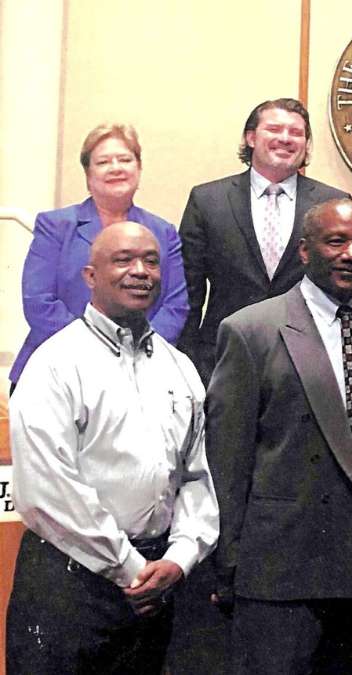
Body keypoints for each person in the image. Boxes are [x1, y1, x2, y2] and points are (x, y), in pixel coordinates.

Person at [6, 222, 218, 674]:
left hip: (157, 585)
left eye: (151, 261)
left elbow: (197, 476)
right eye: (123, 260)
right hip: (70, 585)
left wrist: (180, 558)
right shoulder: (55, 364)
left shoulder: (179, 368)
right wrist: (130, 568)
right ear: (90, 276)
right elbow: (48, 490)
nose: (140, 271)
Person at [205, 199, 352, 673]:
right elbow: (227, 461)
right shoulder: (251, 330)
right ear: (304, 250)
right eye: (336, 241)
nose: (351, 254)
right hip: (277, 574)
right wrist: (228, 565)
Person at [178, 97, 349, 384]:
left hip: (308, 361)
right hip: (222, 358)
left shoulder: (333, 203)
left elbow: (345, 291)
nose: (285, 138)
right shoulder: (208, 200)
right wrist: (185, 362)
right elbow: (188, 291)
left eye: (296, 133)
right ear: (251, 138)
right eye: (274, 129)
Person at [10, 123, 187, 390]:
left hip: (141, 375)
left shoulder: (163, 232)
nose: (116, 168)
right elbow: (39, 302)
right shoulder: (55, 226)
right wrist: (97, 352)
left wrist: (134, 355)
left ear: (138, 169)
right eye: (103, 162)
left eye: (125, 159)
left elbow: (175, 306)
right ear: (88, 174)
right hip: (58, 372)